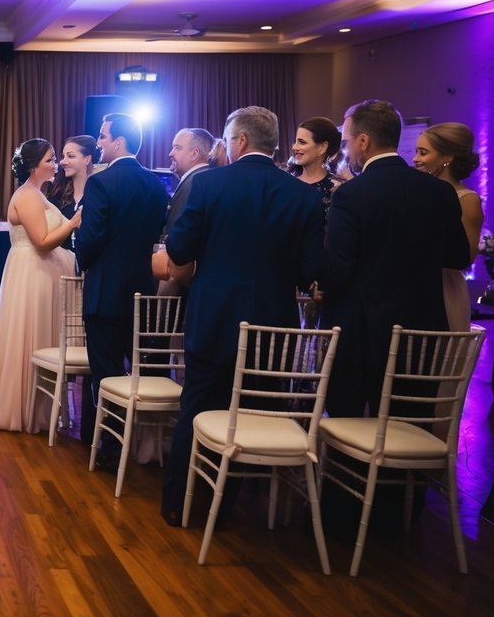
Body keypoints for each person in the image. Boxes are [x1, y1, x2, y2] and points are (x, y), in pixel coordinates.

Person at [153, 106, 324, 525]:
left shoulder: (210, 184)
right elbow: (309, 271)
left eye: (228, 139)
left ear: (241, 140)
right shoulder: (303, 195)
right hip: (273, 326)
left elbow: (180, 249)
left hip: (214, 317)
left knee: (197, 406)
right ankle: (230, 506)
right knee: (254, 412)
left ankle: (180, 504)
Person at [320, 100, 469, 419]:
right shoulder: (439, 192)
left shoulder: (351, 194)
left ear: (364, 141)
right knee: (410, 426)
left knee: (348, 424)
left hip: (360, 335)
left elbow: (338, 269)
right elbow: (458, 256)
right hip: (420, 336)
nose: (347, 150)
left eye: (347, 142)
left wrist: (318, 281)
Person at [75, 113, 169, 466]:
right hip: (143, 290)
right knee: (139, 369)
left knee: (106, 373)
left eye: (103, 136)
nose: (98, 142)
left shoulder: (101, 182)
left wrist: (82, 257)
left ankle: (112, 450)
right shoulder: (155, 184)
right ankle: (145, 445)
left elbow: (91, 237)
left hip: (105, 291)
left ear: (119, 141)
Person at [0, 138, 80, 432]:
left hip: (41, 272)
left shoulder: (38, 194)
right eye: (50, 159)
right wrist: (72, 223)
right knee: (29, 336)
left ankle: (41, 410)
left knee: (40, 336)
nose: (56, 164)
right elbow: (42, 242)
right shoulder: (27, 196)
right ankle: (23, 410)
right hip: (32, 273)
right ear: (35, 166)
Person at [412, 122, 483, 333]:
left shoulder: (467, 199)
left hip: (444, 287)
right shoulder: (416, 193)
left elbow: (467, 257)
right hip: (412, 283)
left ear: (447, 157)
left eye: (423, 152)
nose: (415, 159)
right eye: (416, 151)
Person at [157, 127, 213, 298]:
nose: (170, 153)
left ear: (194, 154)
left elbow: (179, 235)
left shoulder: (196, 182)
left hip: (181, 283)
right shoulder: (201, 179)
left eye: (177, 148)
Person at [291, 117, 344, 224]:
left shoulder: (337, 187)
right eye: (295, 141)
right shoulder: (287, 182)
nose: (294, 147)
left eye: (302, 142)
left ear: (322, 148)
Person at [45, 134, 97, 225]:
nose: (62, 161)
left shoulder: (98, 195)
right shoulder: (57, 193)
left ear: (87, 159)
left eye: (71, 156)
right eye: (63, 156)